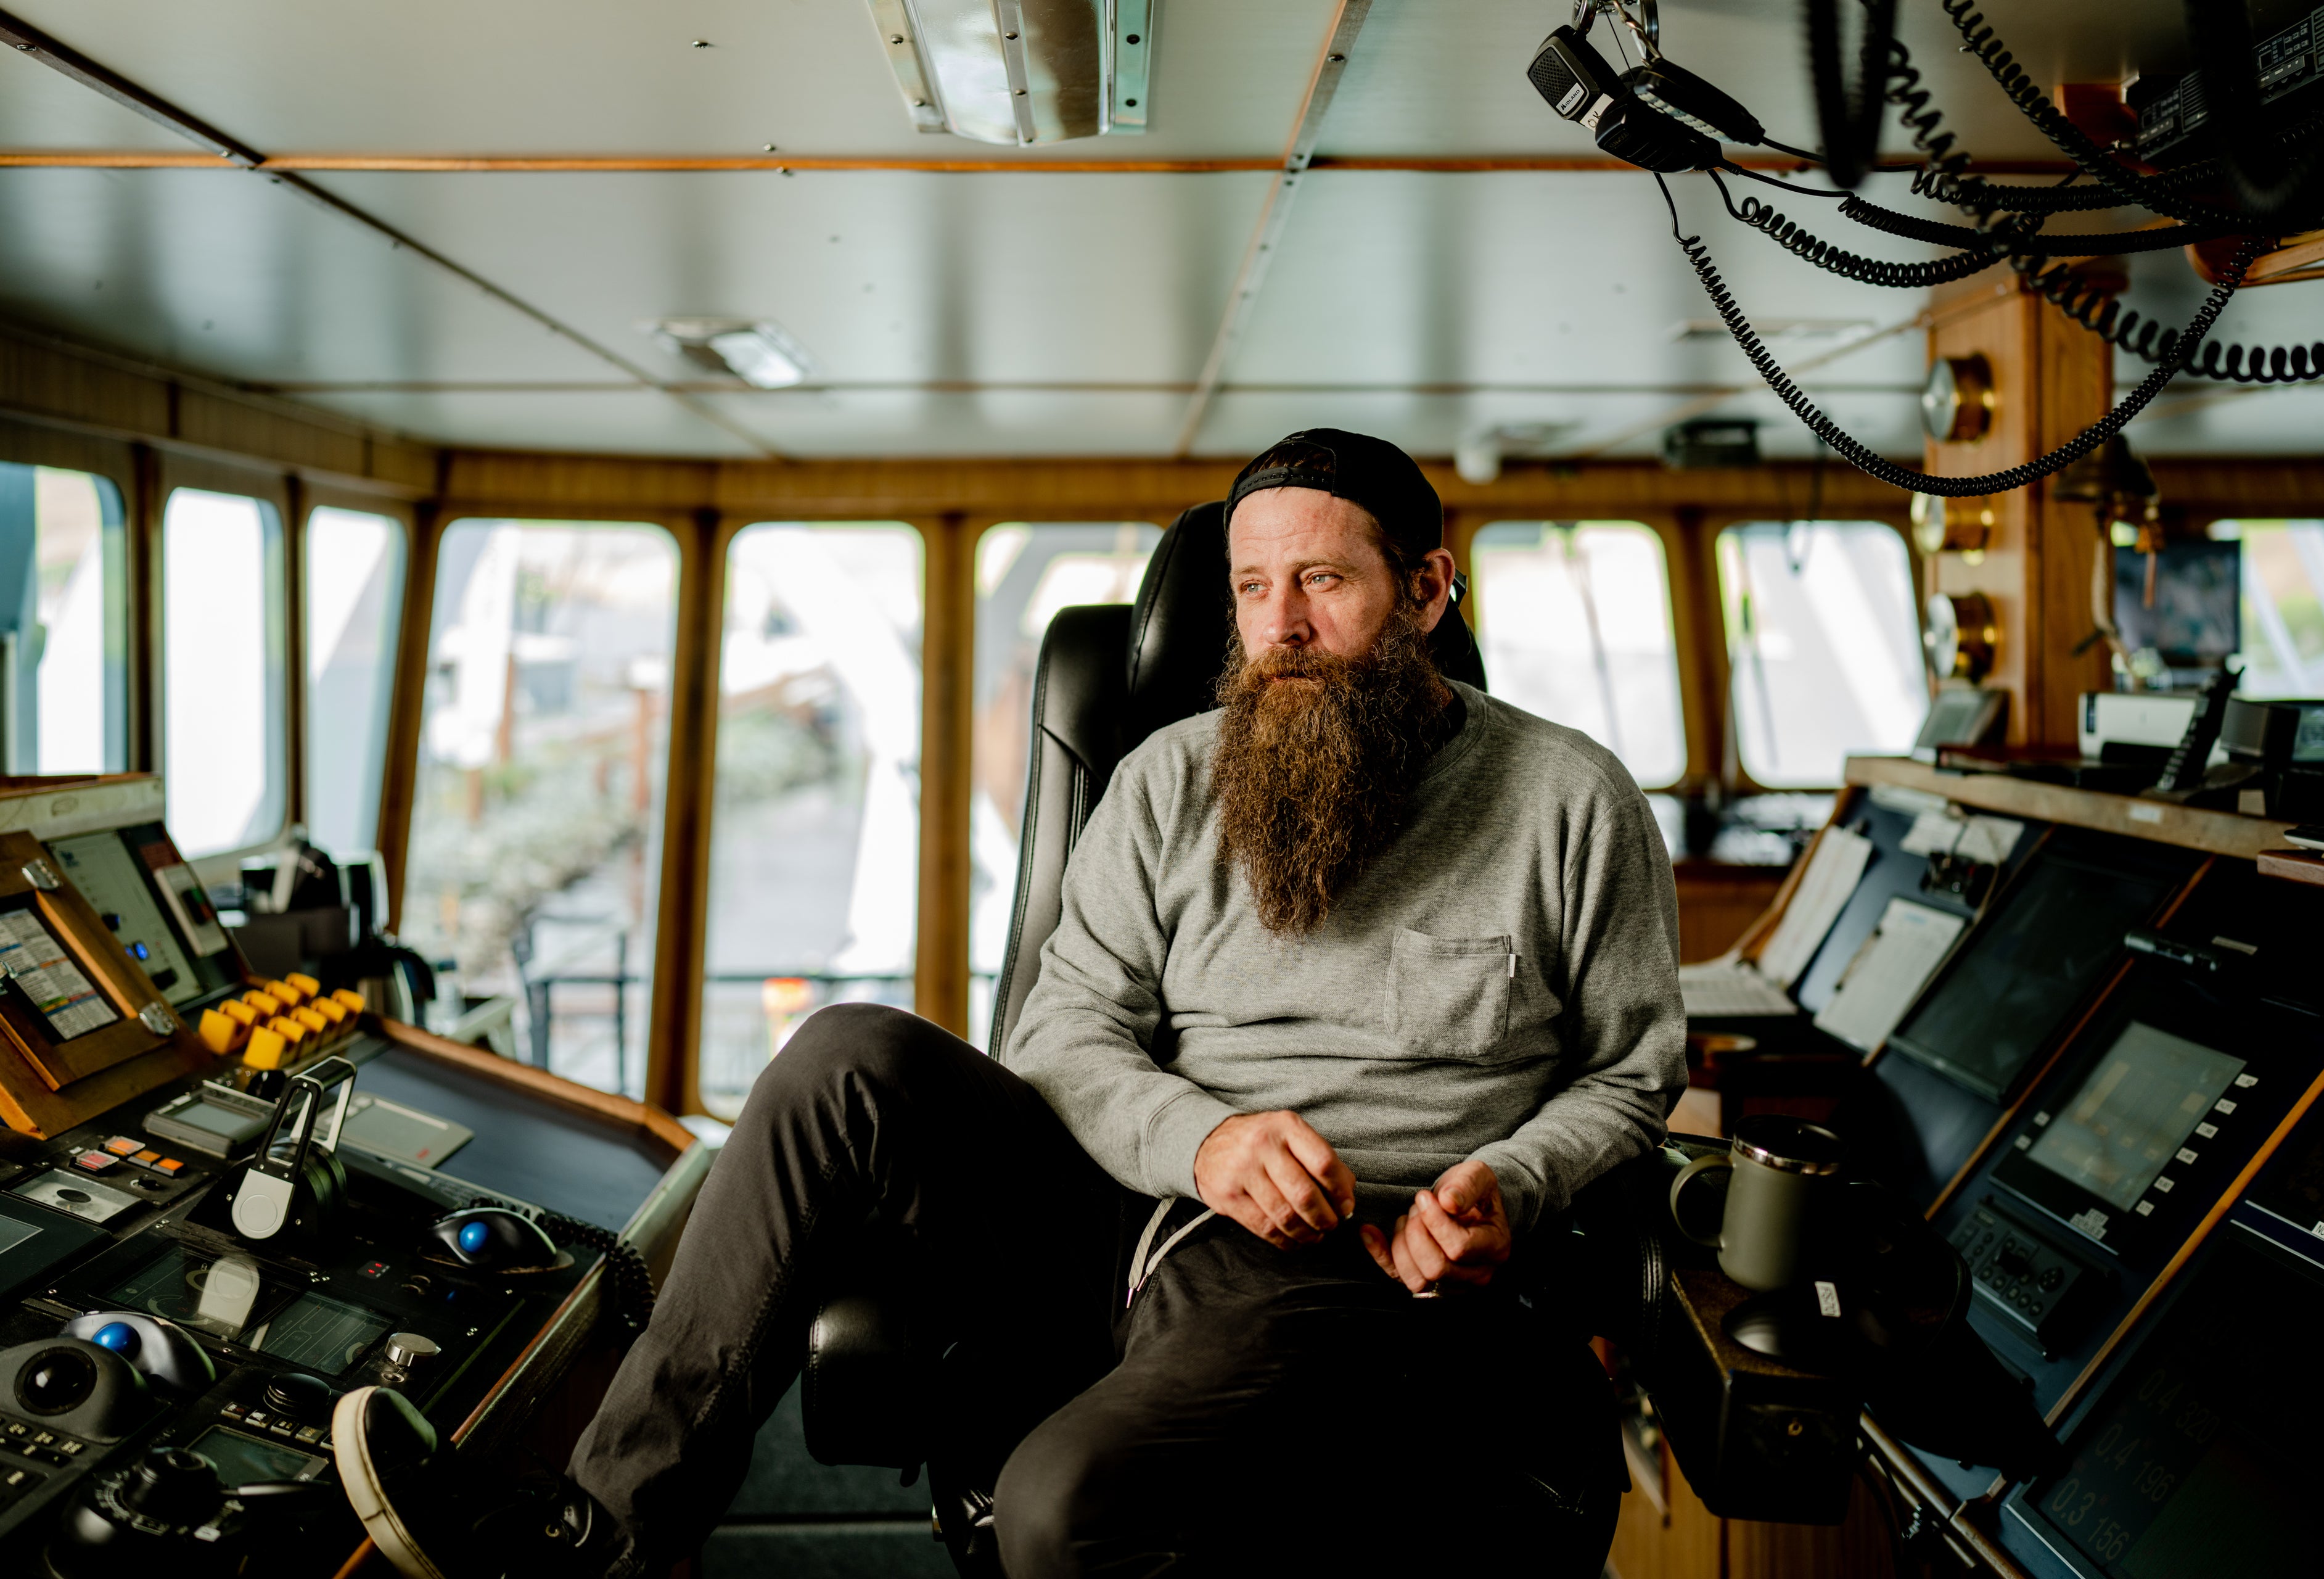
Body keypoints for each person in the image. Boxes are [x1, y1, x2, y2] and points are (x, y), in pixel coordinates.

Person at [334, 429, 1688, 1579]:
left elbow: (1631, 1072)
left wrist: (1510, 1179)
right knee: (844, 1052)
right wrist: (1203, 1140)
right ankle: (596, 1541)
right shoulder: (1166, 776)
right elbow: (1062, 1027)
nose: (1277, 629)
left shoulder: (1570, 798)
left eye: (1322, 582)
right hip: (1127, 1199)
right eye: (1254, 585)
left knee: (1054, 1506)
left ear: (1426, 588)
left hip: (1357, 1259)